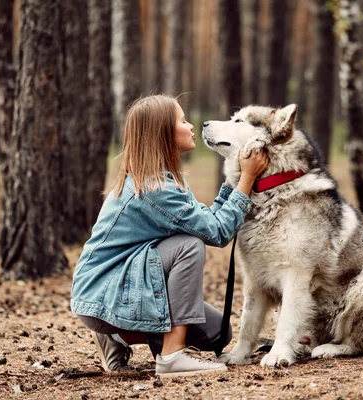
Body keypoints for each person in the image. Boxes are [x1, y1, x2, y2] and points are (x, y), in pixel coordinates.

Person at [70, 95, 268, 378]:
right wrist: (247, 181)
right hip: (105, 292)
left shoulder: (165, 179)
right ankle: (171, 356)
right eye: (183, 121)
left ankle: (117, 337)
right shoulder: (156, 188)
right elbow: (218, 233)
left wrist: (233, 181)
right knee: (188, 245)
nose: (190, 127)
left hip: (122, 287)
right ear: (163, 133)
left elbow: (209, 220)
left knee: (217, 333)